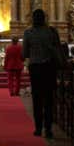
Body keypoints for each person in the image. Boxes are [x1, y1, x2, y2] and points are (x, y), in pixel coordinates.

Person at [22, 8, 61, 138]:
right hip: (49, 68)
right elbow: (58, 49)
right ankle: (48, 129)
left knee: (37, 98)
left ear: (33, 19)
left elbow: (25, 54)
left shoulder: (28, 32)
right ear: (45, 18)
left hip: (36, 68)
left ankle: (38, 128)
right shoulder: (51, 31)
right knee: (49, 99)